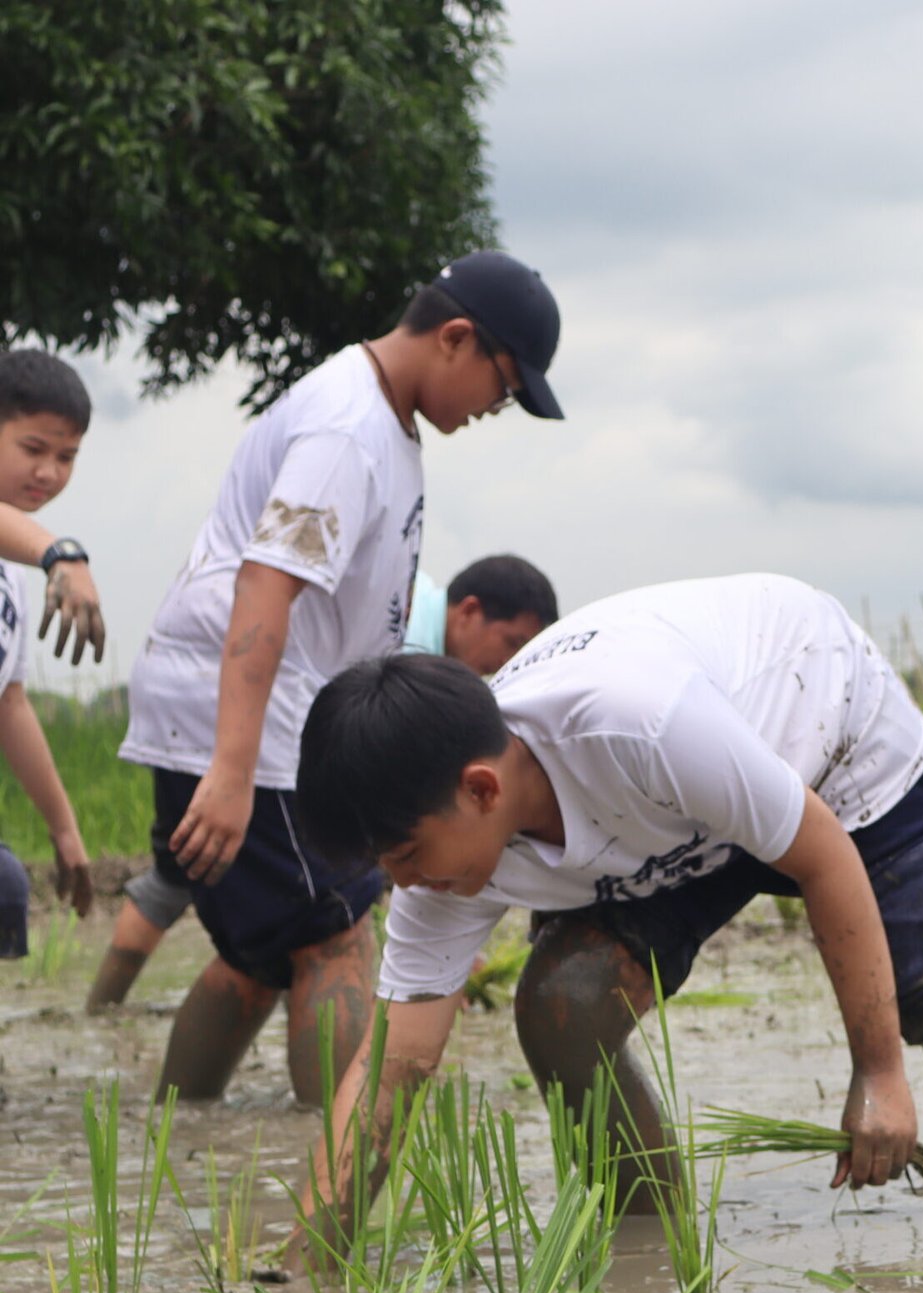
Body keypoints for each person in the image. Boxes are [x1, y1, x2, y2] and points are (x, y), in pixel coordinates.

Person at [294, 572, 923, 1235]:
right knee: (565, 1003)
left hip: (826, 743)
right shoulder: (444, 845)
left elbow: (824, 856)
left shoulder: (639, 725)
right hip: (673, 821)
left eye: (407, 857)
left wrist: (878, 1073)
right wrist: (309, 1257)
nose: (402, 885)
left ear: (481, 789)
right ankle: (649, 1251)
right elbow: (395, 1064)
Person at [115, 250, 564, 1105]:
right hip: (257, 722)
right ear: (456, 338)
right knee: (335, 931)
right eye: (503, 387)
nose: (492, 409)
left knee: (258, 955)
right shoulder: (348, 428)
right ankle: (338, 1153)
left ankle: (176, 1138)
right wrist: (234, 768)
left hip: (267, 716)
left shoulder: (382, 421)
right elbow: (266, 583)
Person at [86, 553, 559, 1010]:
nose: (507, 661)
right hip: (260, 739)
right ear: (469, 612)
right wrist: (443, 958)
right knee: (329, 925)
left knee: (192, 885)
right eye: (512, 642)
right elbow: (401, 824)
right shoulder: (409, 651)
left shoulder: (404, 604)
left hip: (187, 709)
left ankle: (102, 1009)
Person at [0, 351, 101, 953]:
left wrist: (64, 830)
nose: (48, 472)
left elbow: (9, 703)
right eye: (32, 448)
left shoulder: (12, 575)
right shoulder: (36, 554)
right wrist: (60, 555)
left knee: (6, 888)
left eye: (66, 457)